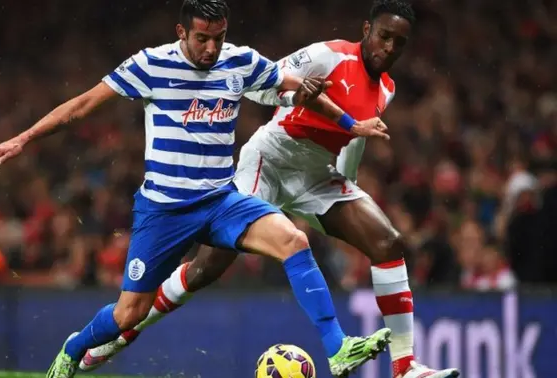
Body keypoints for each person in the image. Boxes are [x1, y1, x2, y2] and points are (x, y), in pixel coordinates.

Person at [0, 1, 395, 377]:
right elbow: (81, 105)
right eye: (202, 38)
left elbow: (301, 88)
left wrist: (352, 127)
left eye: (218, 37)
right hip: (163, 210)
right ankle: (74, 348)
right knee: (129, 315)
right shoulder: (151, 64)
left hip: (220, 202)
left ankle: (338, 348)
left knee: (294, 240)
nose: (211, 47)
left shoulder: (240, 60)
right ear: (182, 31)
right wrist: (22, 139)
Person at [80, 1, 461, 378]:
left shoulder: (387, 88)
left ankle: (405, 367)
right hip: (271, 159)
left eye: (399, 42)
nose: (389, 48)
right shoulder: (326, 55)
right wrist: (298, 96)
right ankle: (120, 334)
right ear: (367, 30)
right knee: (205, 268)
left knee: (387, 242)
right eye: (384, 36)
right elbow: (262, 88)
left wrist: (347, 183)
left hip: (316, 173)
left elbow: (354, 136)